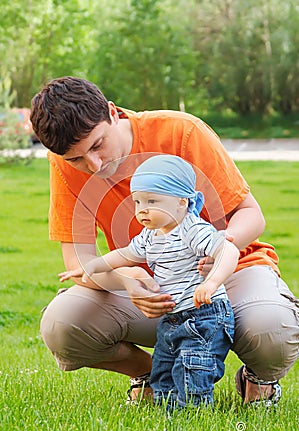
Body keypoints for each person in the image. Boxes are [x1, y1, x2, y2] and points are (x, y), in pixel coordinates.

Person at [30, 76, 298, 407]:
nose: (93, 166)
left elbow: (252, 215)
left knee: (273, 330)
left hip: (231, 273)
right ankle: (154, 375)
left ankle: (259, 381)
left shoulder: (181, 132)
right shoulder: (62, 163)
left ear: (112, 114)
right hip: (154, 291)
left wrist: (220, 248)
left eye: (98, 145)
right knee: (62, 324)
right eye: (76, 159)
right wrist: (125, 280)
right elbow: (78, 263)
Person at [58, 155, 239, 409]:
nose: (142, 209)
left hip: (204, 317)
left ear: (181, 201)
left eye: (152, 201)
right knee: (163, 370)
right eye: (137, 201)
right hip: (172, 317)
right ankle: (168, 409)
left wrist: (212, 282)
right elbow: (124, 255)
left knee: (193, 368)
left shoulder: (192, 229)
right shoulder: (151, 236)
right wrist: (91, 266)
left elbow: (228, 251)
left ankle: (193, 414)